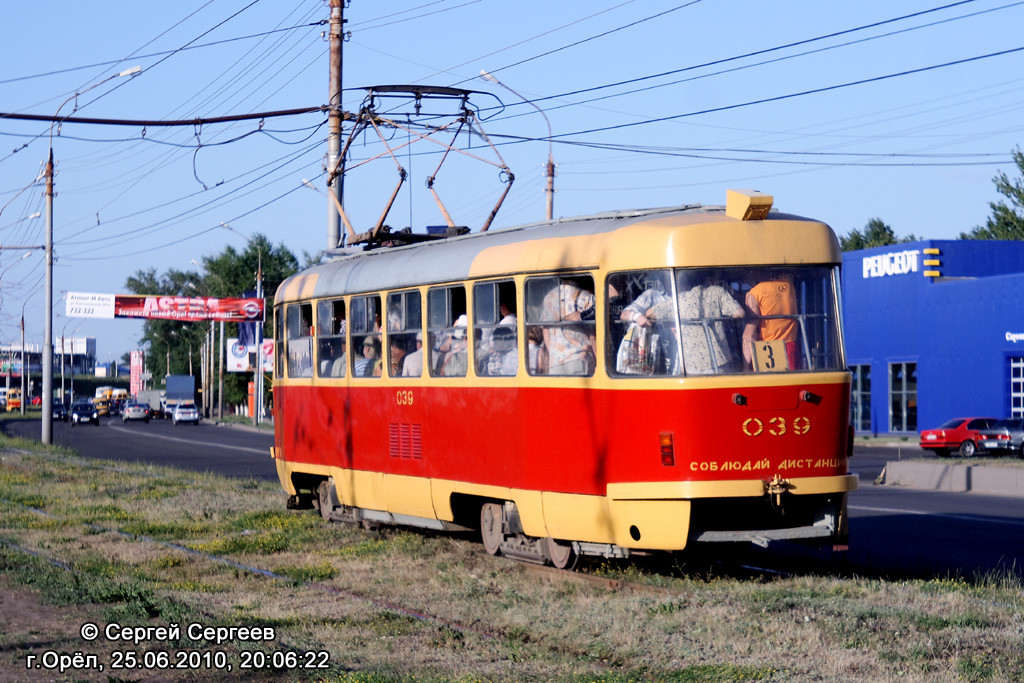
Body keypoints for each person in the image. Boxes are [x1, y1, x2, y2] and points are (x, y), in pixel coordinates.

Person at [677, 272, 745, 374]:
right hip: (717, 362)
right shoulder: (717, 292)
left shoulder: (681, 298)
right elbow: (740, 313)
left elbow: (652, 312)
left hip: (689, 364)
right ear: (709, 279)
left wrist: (643, 316)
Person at [743, 272, 799, 370]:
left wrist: (745, 367)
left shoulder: (754, 293)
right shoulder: (788, 284)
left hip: (767, 349)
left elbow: (750, 334)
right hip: (791, 346)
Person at [542, 279, 596, 376]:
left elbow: (546, 331)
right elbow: (593, 336)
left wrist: (556, 352)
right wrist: (599, 362)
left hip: (555, 363)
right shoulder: (585, 297)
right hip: (579, 358)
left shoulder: (549, 298)